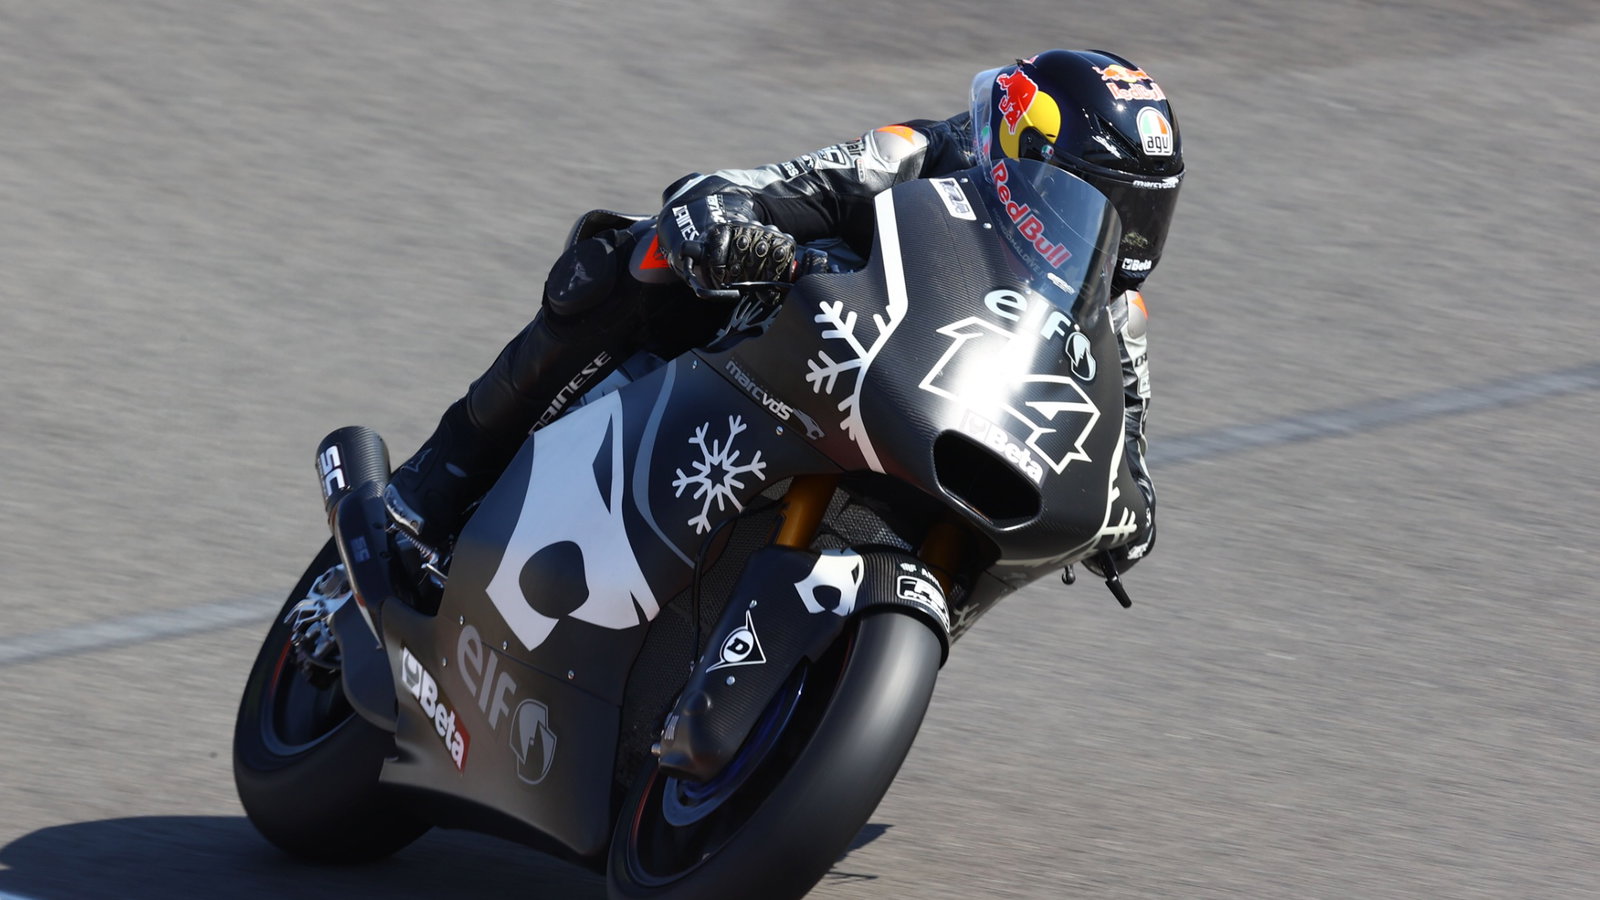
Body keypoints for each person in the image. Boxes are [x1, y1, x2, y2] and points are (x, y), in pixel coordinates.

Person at [384, 48, 1184, 578]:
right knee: (632, 256)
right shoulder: (918, 155)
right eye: (1100, 199)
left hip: (924, 444)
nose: (1124, 235)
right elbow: (749, 188)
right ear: (1020, 150)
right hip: (792, 356)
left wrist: (1124, 520)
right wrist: (727, 228)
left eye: (1143, 214)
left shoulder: (1118, 317)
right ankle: (446, 471)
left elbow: (1131, 468)